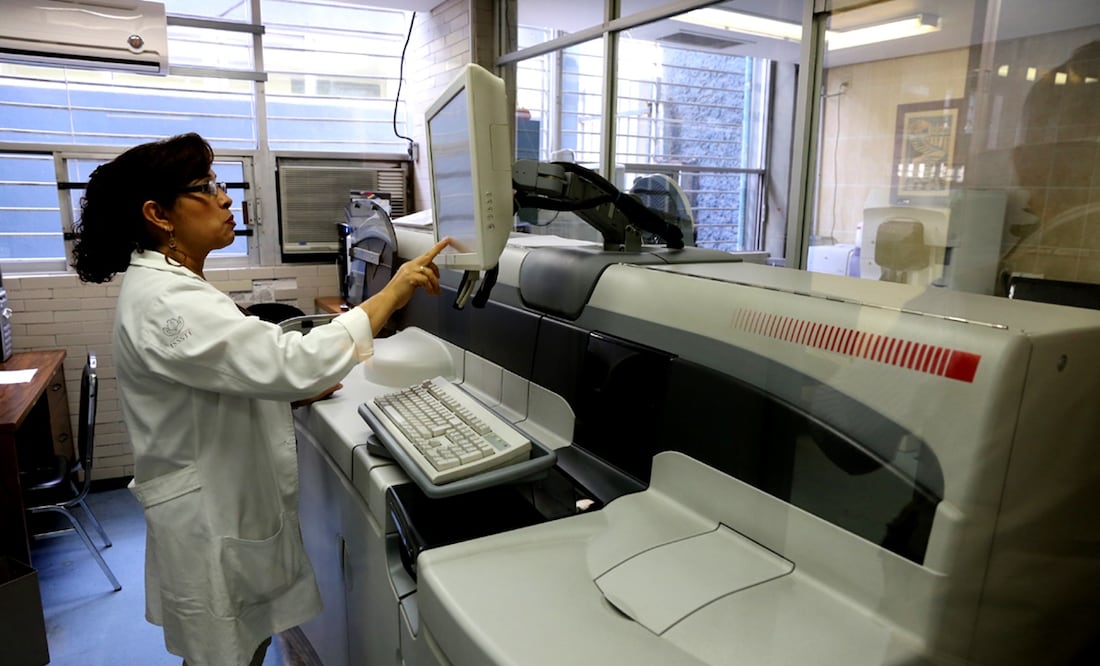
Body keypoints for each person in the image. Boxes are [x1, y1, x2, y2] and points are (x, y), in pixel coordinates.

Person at [70, 132, 451, 666]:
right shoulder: (167, 300)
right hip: (209, 521)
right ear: (159, 214)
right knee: (228, 653)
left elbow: (222, 375)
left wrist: (281, 397)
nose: (226, 198)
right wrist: (394, 291)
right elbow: (286, 362)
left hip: (214, 507)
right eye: (205, 186)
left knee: (242, 645)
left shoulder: (173, 284)